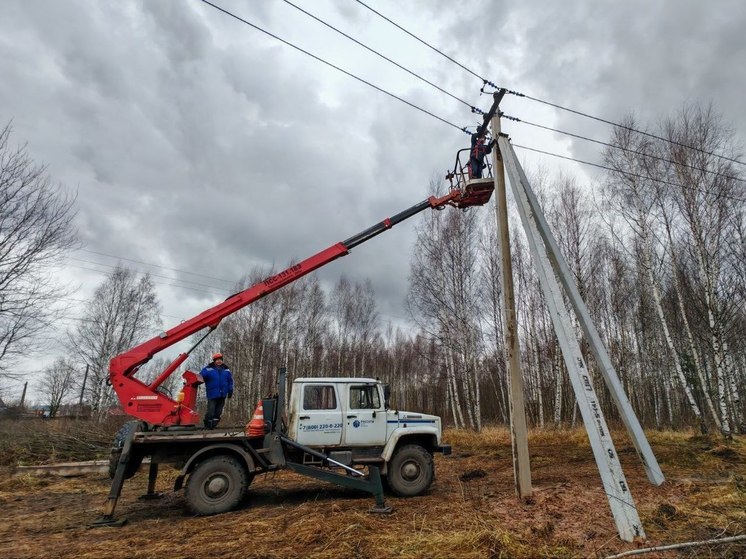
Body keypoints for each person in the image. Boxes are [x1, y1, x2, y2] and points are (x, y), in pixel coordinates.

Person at [200, 352, 234, 429]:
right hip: (212, 393)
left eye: (220, 360)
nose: (219, 361)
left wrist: (230, 390)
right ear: (214, 361)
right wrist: (205, 371)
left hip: (222, 394)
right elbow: (201, 376)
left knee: (218, 412)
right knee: (210, 411)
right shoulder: (208, 369)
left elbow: (230, 381)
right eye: (217, 360)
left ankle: (213, 426)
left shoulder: (226, 370)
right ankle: (207, 426)